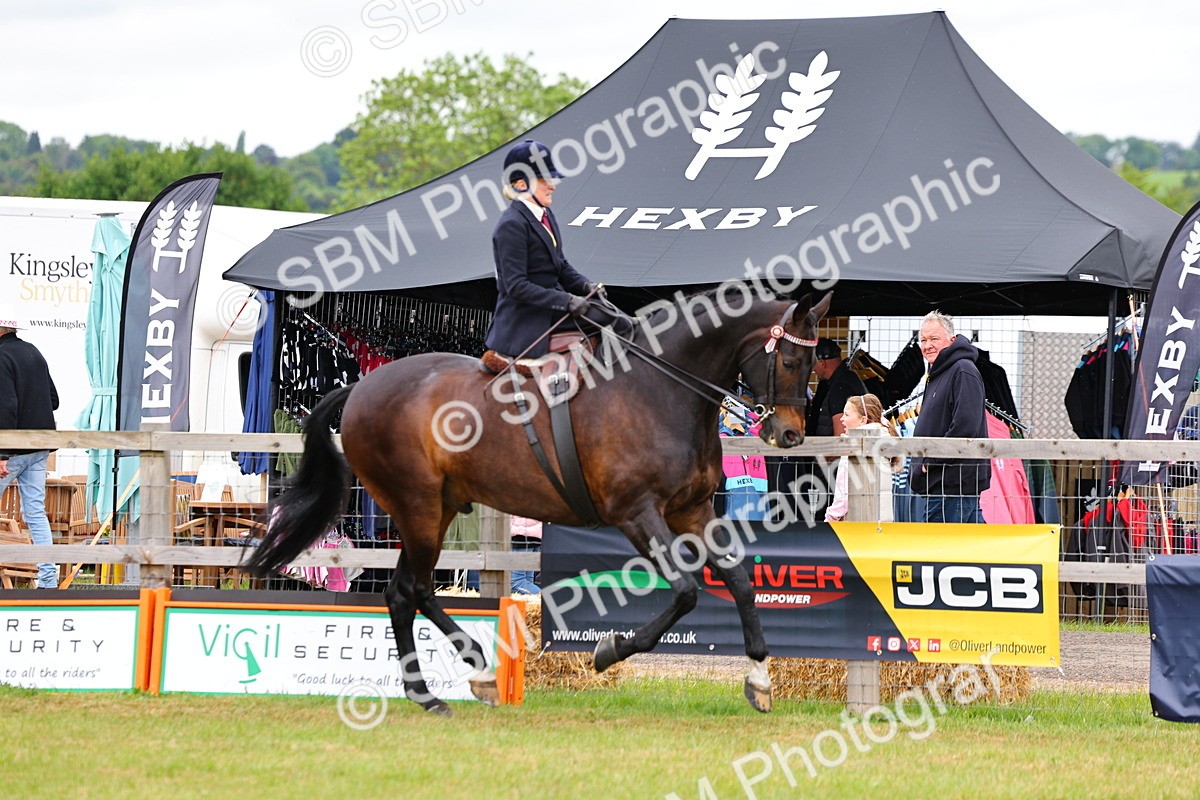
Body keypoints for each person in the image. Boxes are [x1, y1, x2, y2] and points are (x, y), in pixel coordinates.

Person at [483, 139, 632, 362]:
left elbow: (560, 264)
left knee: (608, 309)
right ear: (522, 185)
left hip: (550, 306)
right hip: (527, 317)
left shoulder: (545, 214)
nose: (553, 185)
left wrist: (584, 284)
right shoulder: (511, 225)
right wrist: (566, 300)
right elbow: (516, 286)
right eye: (544, 180)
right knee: (609, 317)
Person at [908, 310, 991, 523]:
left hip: (951, 484)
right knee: (968, 553)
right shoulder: (939, 373)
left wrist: (930, 462)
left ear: (951, 339)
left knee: (940, 553)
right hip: (945, 484)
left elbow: (965, 428)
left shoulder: (962, 370)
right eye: (923, 340)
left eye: (934, 338)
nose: (927, 345)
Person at [0, 304, 60, 588]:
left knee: (34, 512)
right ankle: (48, 579)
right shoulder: (34, 351)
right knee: (35, 513)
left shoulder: (1, 356)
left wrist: (2, 454)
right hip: (40, 448)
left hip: (10, 450)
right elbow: (54, 399)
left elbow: (6, 407)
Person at [824, 394, 899, 522]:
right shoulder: (883, 442)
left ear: (863, 420)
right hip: (882, 524)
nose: (842, 419)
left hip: (856, 526)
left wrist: (829, 519)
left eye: (846, 415)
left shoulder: (852, 448)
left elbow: (842, 499)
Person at [809, 338, 867, 437]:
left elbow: (840, 437)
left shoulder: (840, 388)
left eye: (813, 364)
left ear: (822, 363)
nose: (813, 369)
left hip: (834, 450)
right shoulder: (847, 379)